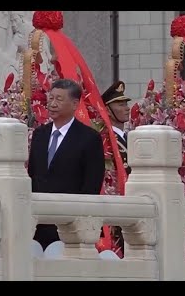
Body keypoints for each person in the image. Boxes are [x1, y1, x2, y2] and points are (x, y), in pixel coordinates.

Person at [28, 78, 106, 250]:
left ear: (75, 104)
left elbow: (91, 185)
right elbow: (32, 176)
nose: (52, 104)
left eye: (59, 99)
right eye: (51, 98)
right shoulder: (40, 135)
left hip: (71, 226)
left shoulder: (89, 138)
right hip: (39, 224)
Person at [101, 81, 132, 257]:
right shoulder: (106, 139)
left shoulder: (129, 137)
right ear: (107, 110)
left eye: (126, 103)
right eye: (120, 105)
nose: (127, 108)